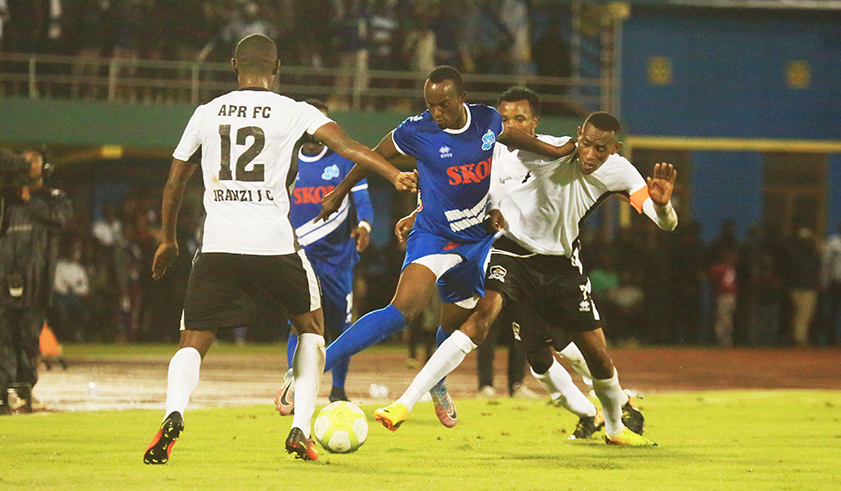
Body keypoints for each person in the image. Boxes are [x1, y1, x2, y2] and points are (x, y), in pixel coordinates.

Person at [143, 33, 415, 464]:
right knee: (312, 328)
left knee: (192, 340)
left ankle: (173, 413)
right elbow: (348, 147)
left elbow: (175, 181)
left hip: (218, 245)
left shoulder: (206, 112)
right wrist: (392, 174)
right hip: (274, 244)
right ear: (277, 69)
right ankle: (300, 429)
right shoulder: (294, 110)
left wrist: (167, 239)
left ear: (235, 66)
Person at [274, 67, 576, 422]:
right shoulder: (417, 130)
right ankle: (307, 371)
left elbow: (511, 136)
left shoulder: (487, 120)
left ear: (461, 99)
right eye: (430, 104)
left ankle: (438, 383)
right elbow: (375, 153)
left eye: (443, 104)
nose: (436, 112)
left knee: (454, 323)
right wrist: (340, 193)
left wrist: (555, 150)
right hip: (434, 235)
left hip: (476, 241)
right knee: (403, 309)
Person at [376, 106, 678, 447]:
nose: (591, 155)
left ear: (615, 149)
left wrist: (663, 206)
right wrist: (433, 211)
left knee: (597, 355)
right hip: (513, 251)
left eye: (601, 149)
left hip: (560, 265)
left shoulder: (620, 171)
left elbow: (664, 222)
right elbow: (490, 179)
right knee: (482, 321)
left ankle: (614, 427)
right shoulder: (547, 150)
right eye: (587, 144)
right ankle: (404, 403)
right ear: (579, 134)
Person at [283, 99, 374, 403]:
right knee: (298, 325)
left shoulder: (344, 160)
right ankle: (294, 388)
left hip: (338, 260)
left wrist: (364, 225)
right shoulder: (287, 161)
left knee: (340, 328)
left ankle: (338, 389)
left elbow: (363, 202)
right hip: (300, 259)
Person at [0, 148, 72, 413]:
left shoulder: (53, 198)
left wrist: (28, 200)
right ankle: (1, 393)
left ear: (45, 166)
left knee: (28, 339)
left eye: (34, 160)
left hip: (36, 281)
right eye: (25, 160)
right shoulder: (5, 200)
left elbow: (60, 219)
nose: (29, 165)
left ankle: (23, 391)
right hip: (0, 280)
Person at [820, 222, 841, 345]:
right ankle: (824, 339)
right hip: (834, 282)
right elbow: (825, 263)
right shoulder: (833, 243)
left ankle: (839, 339)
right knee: (828, 311)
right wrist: (824, 281)